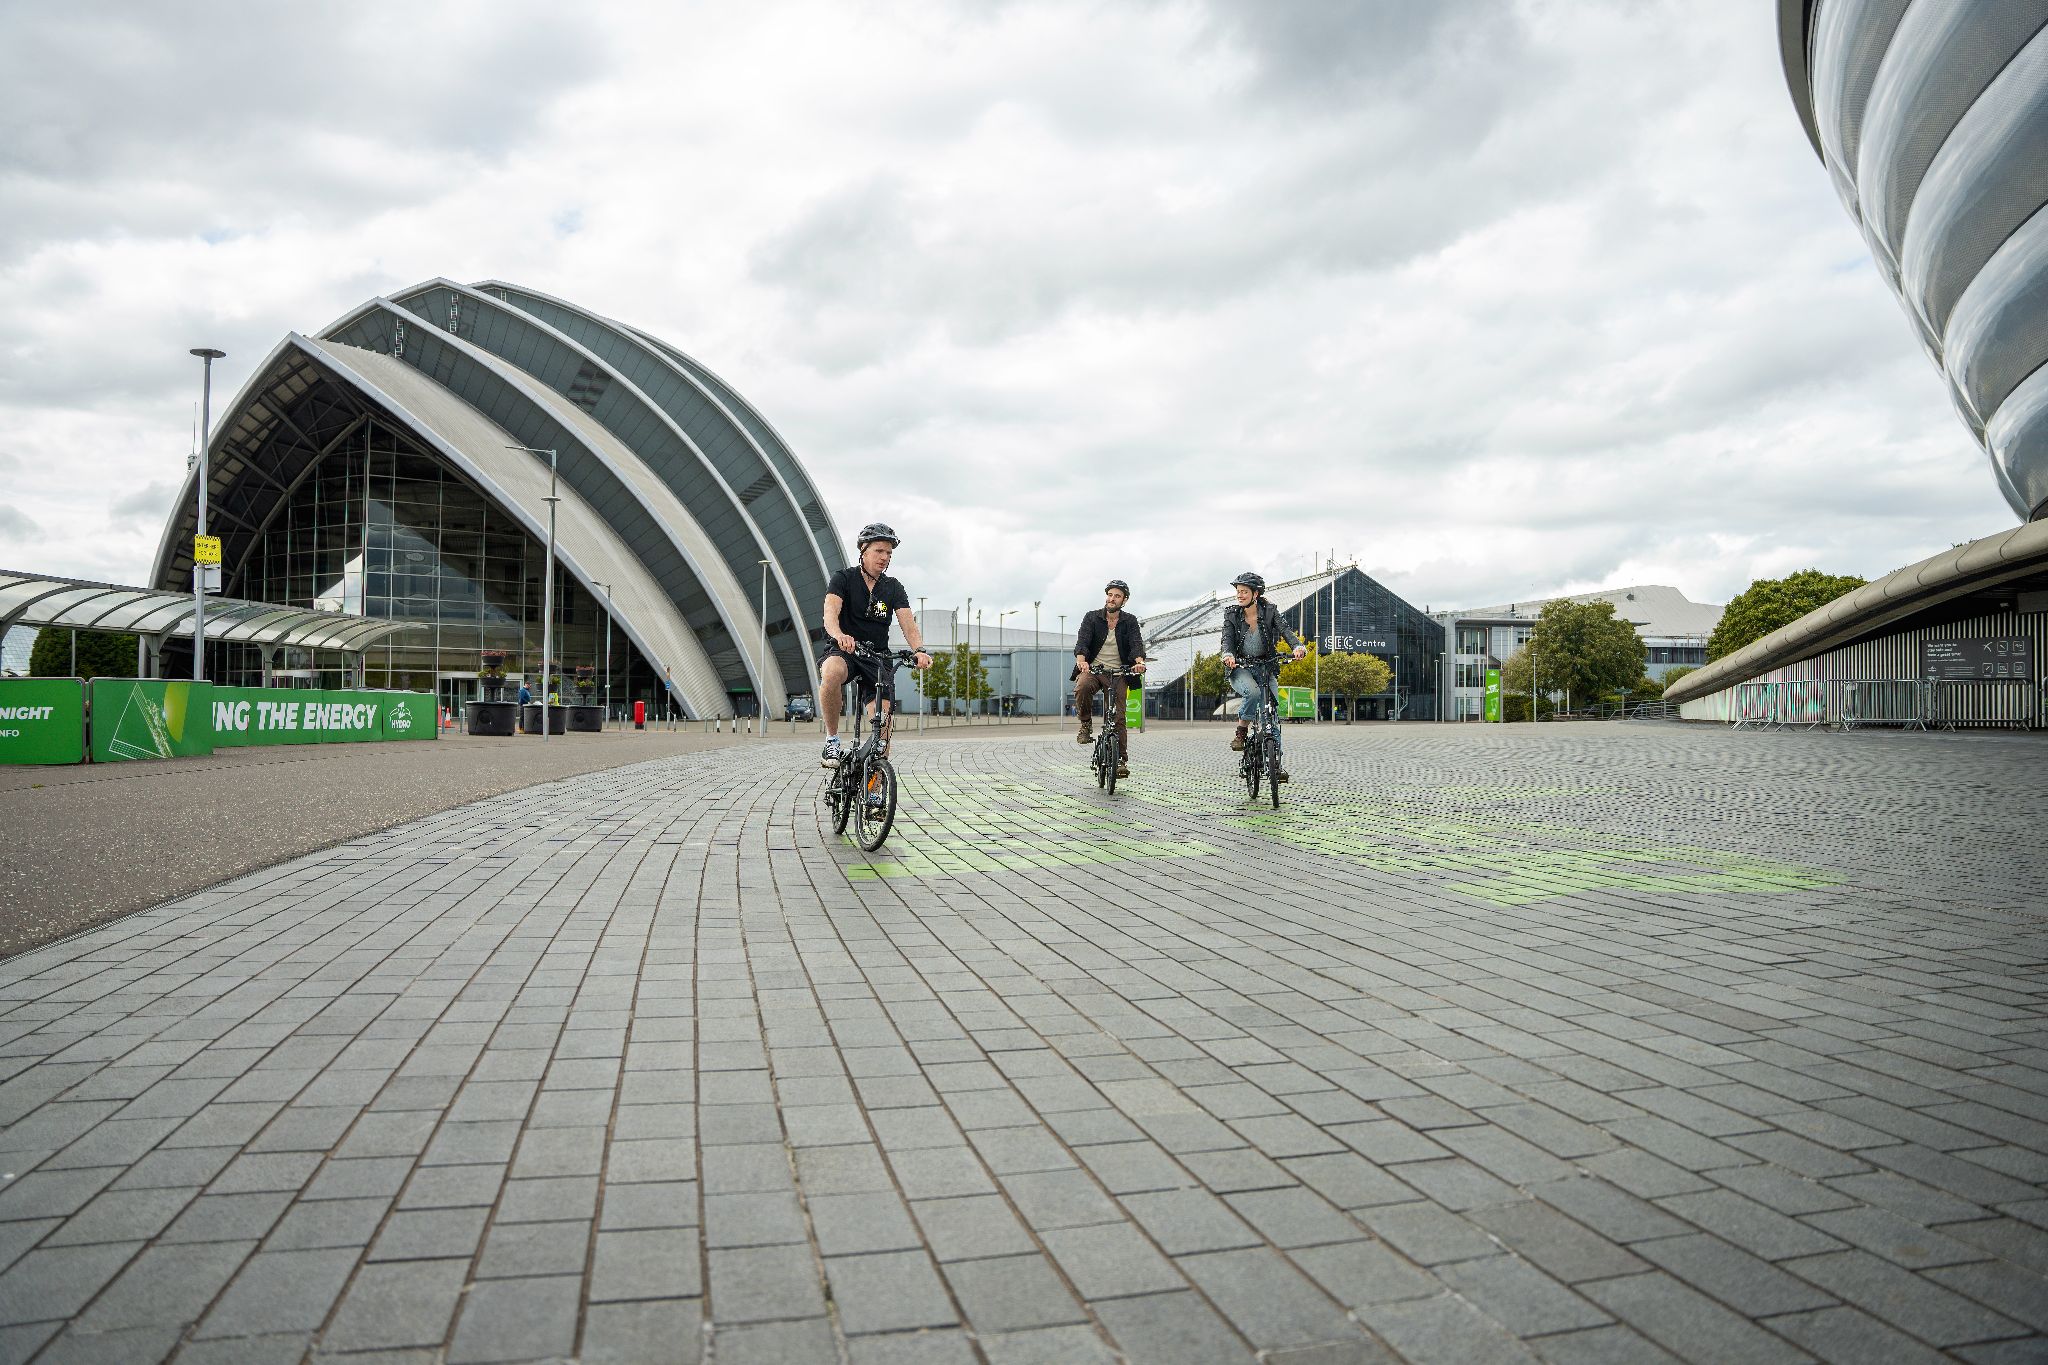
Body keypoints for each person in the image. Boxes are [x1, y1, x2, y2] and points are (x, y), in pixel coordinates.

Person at [819, 522, 932, 768]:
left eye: (889, 553)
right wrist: (839, 635)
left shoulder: (893, 587)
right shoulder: (843, 579)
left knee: (883, 724)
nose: (885, 557)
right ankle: (832, 740)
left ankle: (874, 789)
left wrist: (919, 650)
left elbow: (907, 622)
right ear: (863, 550)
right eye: (879, 551)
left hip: (876, 656)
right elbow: (830, 613)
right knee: (831, 672)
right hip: (846, 649)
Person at [1219, 571, 1307, 780]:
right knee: (1254, 693)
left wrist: (1297, 646)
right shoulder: (1231, 614)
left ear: (1255, 594)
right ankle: (1241, 731)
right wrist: (1228, 655)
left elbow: (1285, 630)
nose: (1240, 596)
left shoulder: (1270, 611)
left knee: (1272, 716)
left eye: (1244, 592)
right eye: (1238, 592)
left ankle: (1275, 765)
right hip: (1241, 667)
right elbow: (1227, 638)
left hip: (1266, 668)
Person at [1072, 579, 1145, 778]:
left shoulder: (1129, 621)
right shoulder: (1092, 618)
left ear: (1124, 600)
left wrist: (1139, 662)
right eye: (1110, 595)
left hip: (1120, 673)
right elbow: (1083, 642)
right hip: (1094, 670)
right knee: (1082, 686)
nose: (1112, 599)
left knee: (1119, 716)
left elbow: (1136, 644)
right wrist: (1081, 661)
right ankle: (1085, 724)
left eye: (1117, 596)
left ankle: (1121, 760)